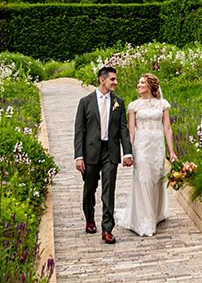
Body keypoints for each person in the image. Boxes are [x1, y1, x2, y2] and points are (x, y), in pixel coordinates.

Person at [73, 66, 132, 244]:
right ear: (102, 80)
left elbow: (124, 130)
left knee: (109, 190)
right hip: (90, 152)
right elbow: (79, 131)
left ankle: (107, 229)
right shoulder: (85, 102)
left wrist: (127, 152)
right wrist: (79, 156)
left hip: (110, 152)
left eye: (115, 79)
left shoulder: (119, 102)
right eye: (113, 79)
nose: (116, 82)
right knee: (89, 189)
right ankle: (89, 219)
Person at [115, 72, 176, 237]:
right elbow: (131, 131)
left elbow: (167, 128)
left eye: (142, 83)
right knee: (143, 179)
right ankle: (145, 221)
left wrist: (171, 151)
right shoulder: (134, 106)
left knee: (156, 180)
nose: (139, 85)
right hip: (141, 147)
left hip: (157, 148)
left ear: (150, 85)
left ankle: (155, 215)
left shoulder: (163, 104)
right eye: (138, 83)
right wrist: (129, 152)